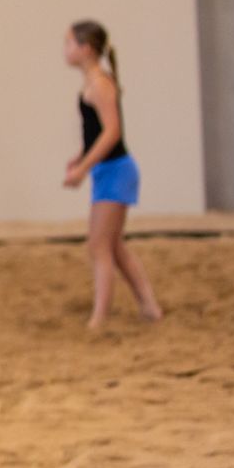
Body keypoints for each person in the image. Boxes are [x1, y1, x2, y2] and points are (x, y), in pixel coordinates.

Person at [63, 20, 164, 330]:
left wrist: (83, 169)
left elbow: (112, 133)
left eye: (68, 43)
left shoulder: (101, 85)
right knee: (113, 246)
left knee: (98, 246)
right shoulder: (91, 84)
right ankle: (149, 306)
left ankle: (99, 318)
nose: (64, 50)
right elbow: (96, 134)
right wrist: (81, 157)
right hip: (108, 170)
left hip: (117, 171)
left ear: (86, 49)